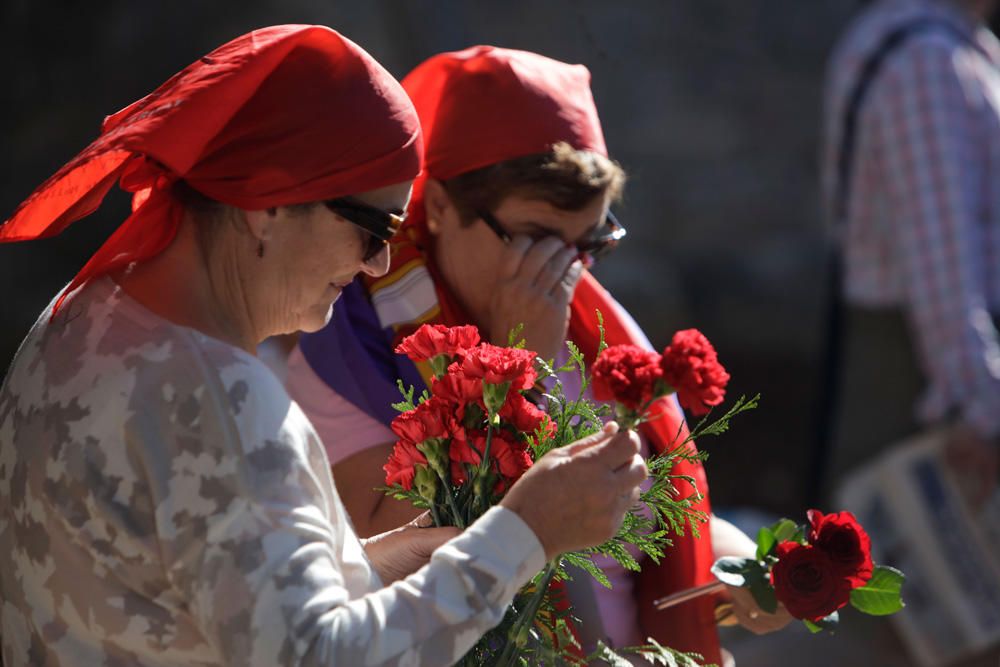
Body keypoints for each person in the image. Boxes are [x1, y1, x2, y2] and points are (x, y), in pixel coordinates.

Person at [0, 26, 650, 666]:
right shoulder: (226, 402)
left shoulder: (77, 317)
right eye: (374, 229)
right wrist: (524, 533)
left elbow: (189, 593)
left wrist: (355, 562)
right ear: (268, 204)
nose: (378, 265)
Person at [285, 46, 791, 666]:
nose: (566, 270)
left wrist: (736, 561)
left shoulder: (593, 319)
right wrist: (516, 360)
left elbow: (635, 517)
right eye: (534, 239)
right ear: (440, 205)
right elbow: (385, 546)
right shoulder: (345, 336)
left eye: (592, 241)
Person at [820, 0, 1000, 504]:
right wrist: (976, 407)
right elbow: (940, 250)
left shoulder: (955, 44)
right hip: (918, 369)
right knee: (896, 567)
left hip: (932, 356)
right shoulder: (927, 59)